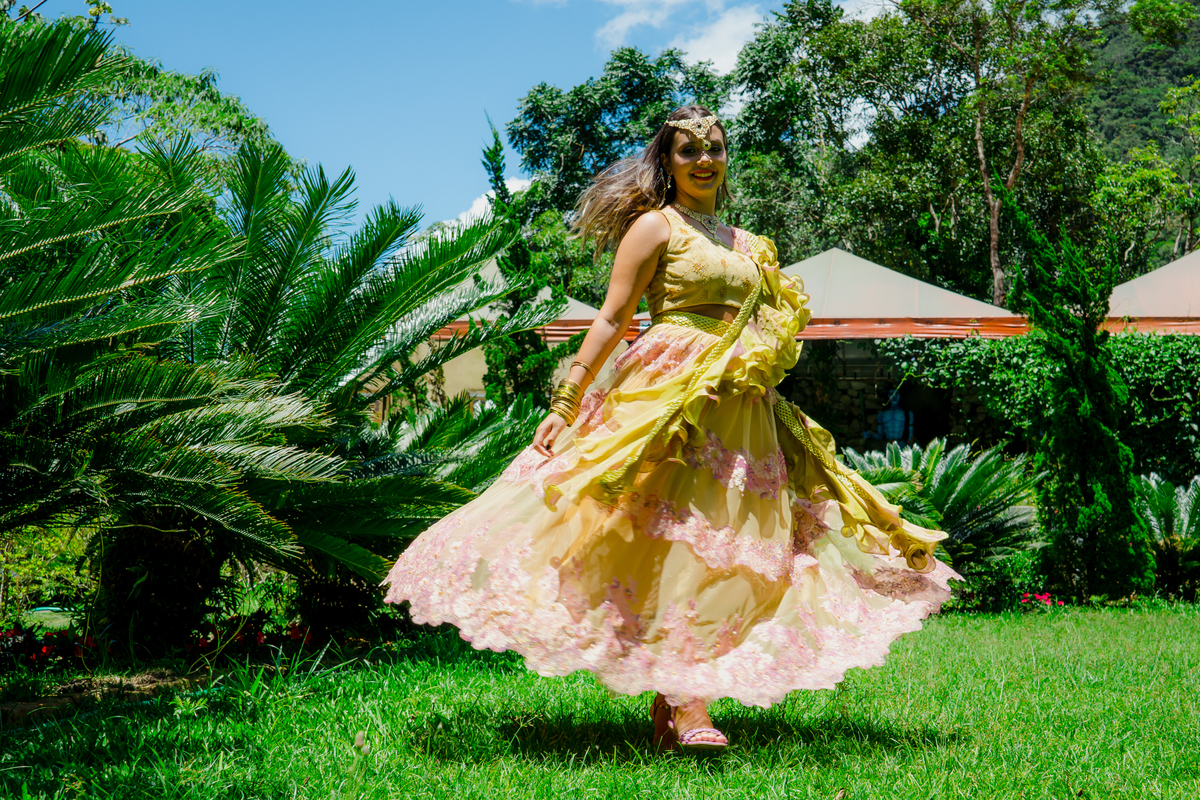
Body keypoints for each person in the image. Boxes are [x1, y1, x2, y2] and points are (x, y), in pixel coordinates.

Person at [383, 106, 959, 752]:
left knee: (728, 547)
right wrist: (568, 399)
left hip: (741, 411)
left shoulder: (747, 244)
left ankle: (674, 702)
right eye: (689, 151)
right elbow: (610, 318)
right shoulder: (655, 227)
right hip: (665, 401)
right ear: (668, 161)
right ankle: (691, 708)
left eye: (713, 148)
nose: (705, 160)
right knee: (673, 541)